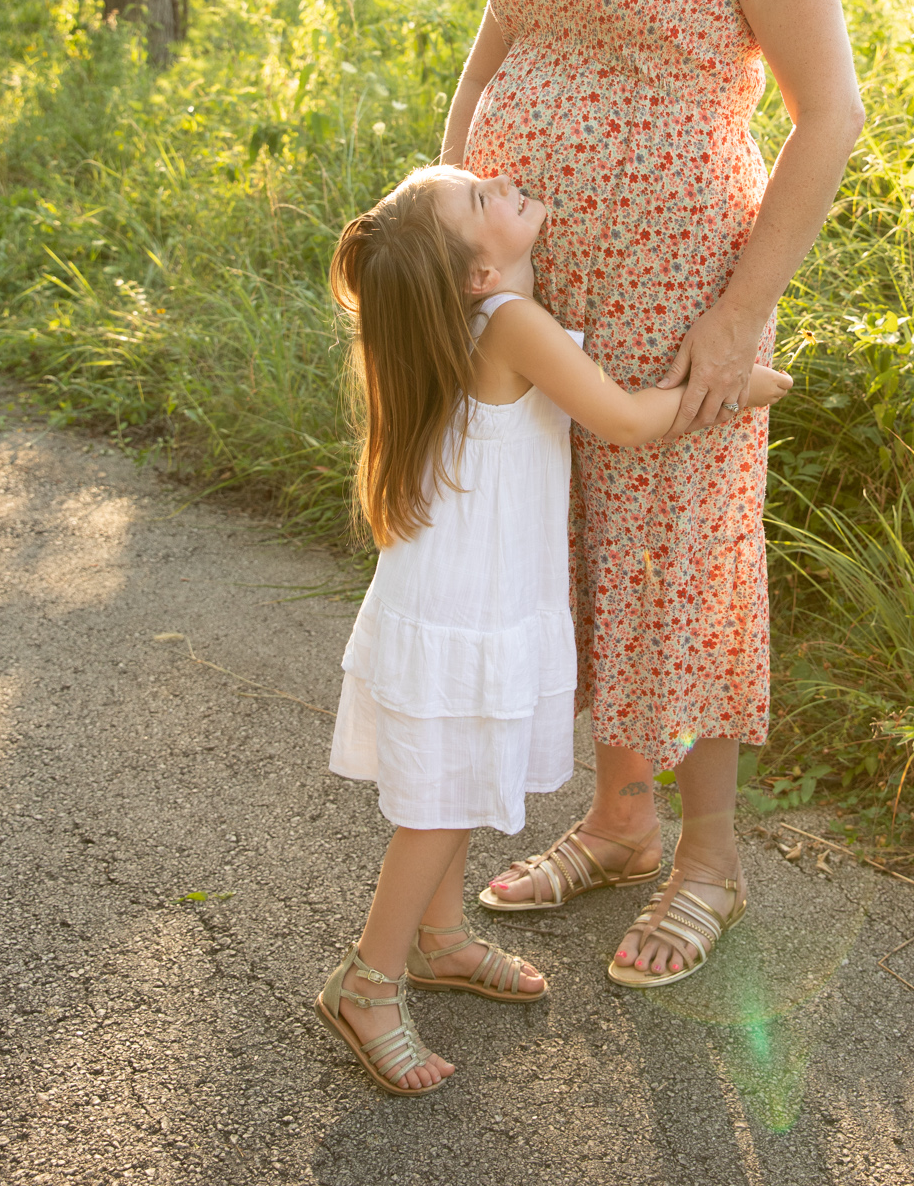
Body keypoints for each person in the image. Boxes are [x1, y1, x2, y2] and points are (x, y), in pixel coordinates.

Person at [445, 0, 865, 986]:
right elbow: (489, 50)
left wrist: (739, 316)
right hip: (525, 282)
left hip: (673, 282)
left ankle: (708, 861)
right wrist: (455, 211)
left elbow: (827, 119)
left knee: (673, 563)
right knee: (569, 552)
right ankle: (618, 820)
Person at [317, 162, 791, 1093]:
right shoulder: (510, 323)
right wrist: (737, 390)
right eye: (476, 200)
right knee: (441, 803)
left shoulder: (456, 323)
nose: (498, 183)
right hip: (473, 603)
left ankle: (442, 940)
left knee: (458, 776)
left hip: (457, 593)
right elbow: (618, 418)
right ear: (475, 273)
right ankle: (366, 983)